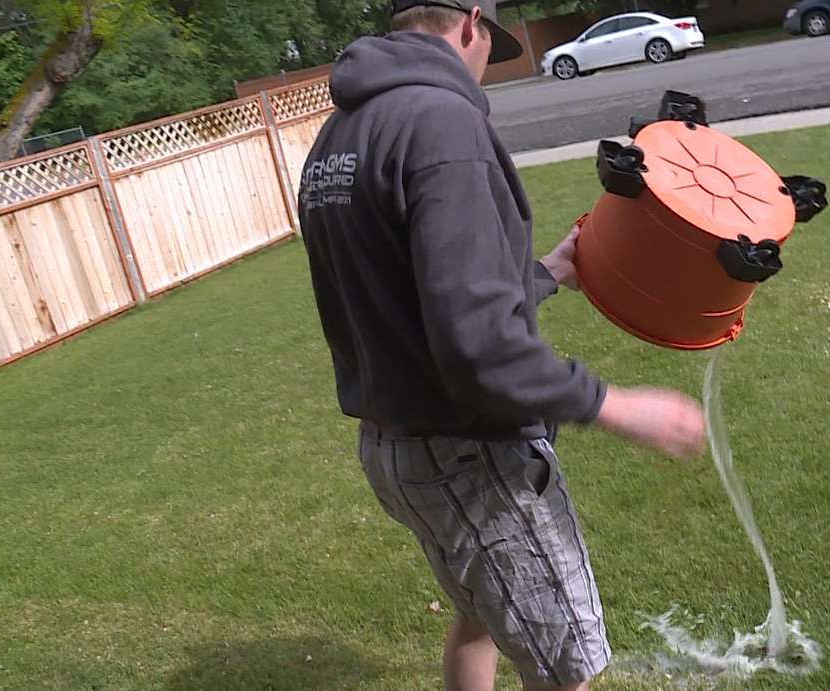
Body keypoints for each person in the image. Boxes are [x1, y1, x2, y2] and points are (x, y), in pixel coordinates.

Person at [297, 1, 706, 689]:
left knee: (479, 618)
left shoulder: (338, 136)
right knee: (563, 668)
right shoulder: (441, 123)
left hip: (396, 450)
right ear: (470, 25)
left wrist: (540, 275)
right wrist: (616, 405)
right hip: (471, 458)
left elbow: (409, 289)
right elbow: (478, 345)